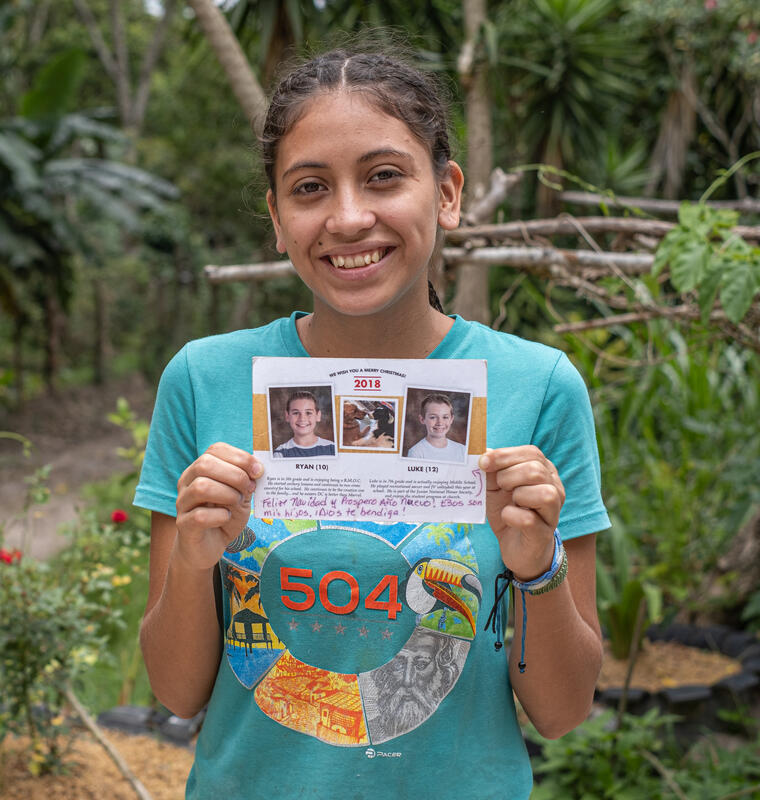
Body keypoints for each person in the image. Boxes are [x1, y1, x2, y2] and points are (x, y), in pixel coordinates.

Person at [133, 42, 608, 799]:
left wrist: (536, 565)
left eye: (384, 177)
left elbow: (564, 710)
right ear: (278, 219)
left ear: (447, 193)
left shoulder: (538, 388)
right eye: (310, 188)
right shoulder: (205, 379)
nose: (349, 218)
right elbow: (175, 693)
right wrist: (195, 558)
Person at [406, 393, 466, 462]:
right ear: (422, 419)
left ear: (451, 419)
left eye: (445, 417)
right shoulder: (416, 453)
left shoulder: (462, 450)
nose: (440, 423)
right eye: (433, 417)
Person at [274, 390, 335, 457]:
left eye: (308, 413)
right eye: (296, 413)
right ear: (287, 416)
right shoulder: (280, 453)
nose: (302, 419)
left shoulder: (332, 449)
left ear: (318, 416)